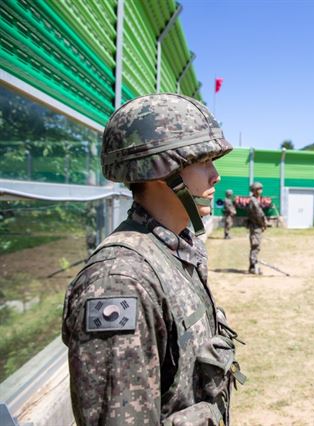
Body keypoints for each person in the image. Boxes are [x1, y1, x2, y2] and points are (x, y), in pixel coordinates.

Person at [61, 94, 244, 425]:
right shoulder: (119, 282)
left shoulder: (175, 249)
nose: (215, 175)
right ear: (162, 170)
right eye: (203, 162)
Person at [247, 181, 267, 274]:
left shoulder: (255, 200)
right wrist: (263, 224)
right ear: (254, 190)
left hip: (256, 226)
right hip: (255, 227)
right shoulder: (254, 201)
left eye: (261, 188)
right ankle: (253, 267)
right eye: (258, 189)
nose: (260, 190)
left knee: (256, 246)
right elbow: (258, 215)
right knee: (255, 246)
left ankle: (253, 266)